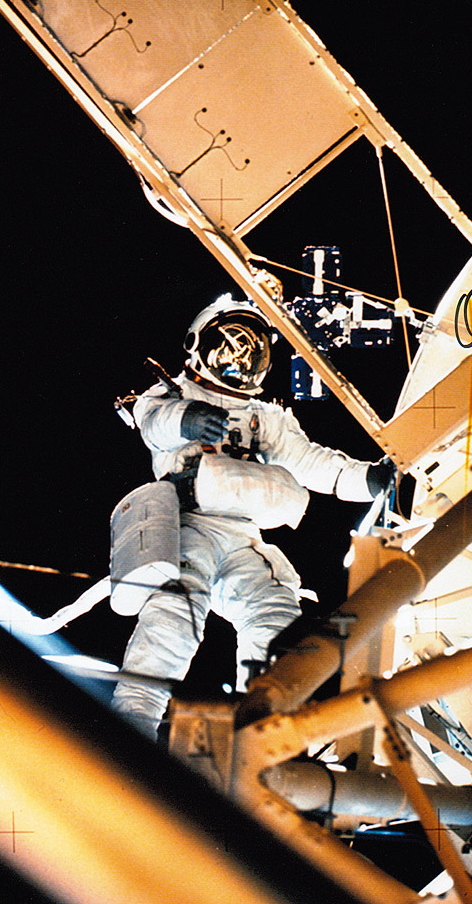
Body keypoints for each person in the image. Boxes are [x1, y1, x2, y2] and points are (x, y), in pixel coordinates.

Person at [111, 295, 394, 737]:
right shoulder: (172, 395)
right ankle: (134, 720)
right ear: (199, 344)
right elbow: (154, 425)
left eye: (250, 353)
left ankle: (260, 726)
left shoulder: (264, 418)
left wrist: (368, 480)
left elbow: (310, 461)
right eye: (229, 349)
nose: (238, 363)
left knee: (274, 615)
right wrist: (187, 420)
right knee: (174, 615)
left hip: (244, 536)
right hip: (190, 526)